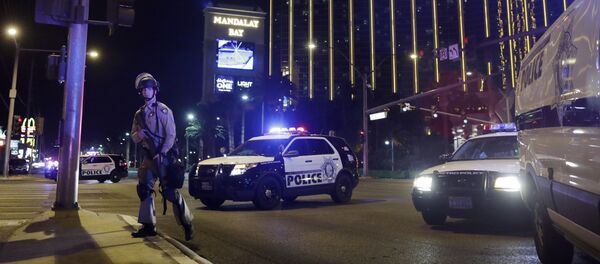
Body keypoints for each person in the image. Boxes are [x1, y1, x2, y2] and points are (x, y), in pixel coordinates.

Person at [130, 72, 194, 240]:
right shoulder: (138, 114)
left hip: (164, 157)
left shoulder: (164, 110)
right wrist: (139, 135)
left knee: (170, 193)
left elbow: (171, 135)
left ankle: (187, 223)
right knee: (144, 190)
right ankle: (148, 225)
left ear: (155, 90)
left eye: (148, 89)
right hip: (148, 158)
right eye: (143, 89)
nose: (145, 92)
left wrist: (163, 152)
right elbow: (133, 136)